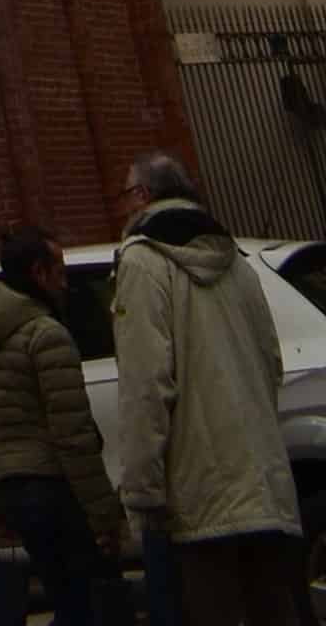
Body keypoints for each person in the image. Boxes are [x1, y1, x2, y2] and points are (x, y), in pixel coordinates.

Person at [113, 149, 307, 626]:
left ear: (142, 196)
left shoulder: (142, 262)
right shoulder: (238, 262)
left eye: (123, 196)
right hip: (264, 487)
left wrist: (142, 493)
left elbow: (146, 386)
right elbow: (270, 363)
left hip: (197, 498)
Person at [0, 222, 125, 626]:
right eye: (61, 272)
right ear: (38, 272)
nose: (65, 284)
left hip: (16, 491)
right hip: (57, 490)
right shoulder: (47, 335)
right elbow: (73, 436)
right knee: (92, 602)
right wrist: (103, 515)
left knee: (65, 597)